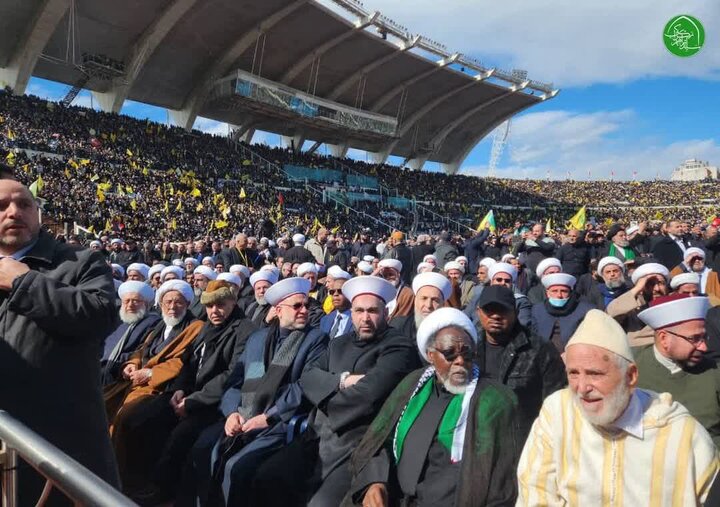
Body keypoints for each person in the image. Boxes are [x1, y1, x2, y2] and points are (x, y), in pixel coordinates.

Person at [516, 309, 719, 506]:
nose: (582, 388)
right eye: (573, 373)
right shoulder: (558, 414)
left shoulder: (680, 433)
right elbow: (536, 493)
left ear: (630, 376)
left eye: (595, 373)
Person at [0, 175, 121, 499]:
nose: (13, 212)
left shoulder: (80, 262)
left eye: (24, 204)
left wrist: (23, 283)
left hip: (61, 451)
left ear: (38, 213)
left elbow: (100, 316)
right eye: (1, 206)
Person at [253, 276, 417, 506]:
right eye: (359, 311)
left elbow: (368, 396)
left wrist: (323, 394)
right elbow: (307, 377)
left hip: (356, 443)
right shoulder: (339, 343)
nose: (365, 318)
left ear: (387, 314)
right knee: (267, 476)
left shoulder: (399, 347)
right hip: (316, 436)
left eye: (373, 311)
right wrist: (342, 382)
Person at [344, 308, 522, 506]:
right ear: (431, 355)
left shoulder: (496, 400)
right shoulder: (413, 384)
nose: (460, 361)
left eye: (467, 353)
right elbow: (379, 440)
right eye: (449, 354)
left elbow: (503, 481)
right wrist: (374, 482)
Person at [189, 277, 328, 506]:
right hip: (242, 416)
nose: (304, 310)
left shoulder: (315, 339)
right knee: (205, 452)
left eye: (306, 305)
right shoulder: (258, 339)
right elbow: (236, 382)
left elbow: (303, 386)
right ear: (278, 310)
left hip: (279, 421)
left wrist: (269, 416)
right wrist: (233, 412)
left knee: (238, 467)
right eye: (297, 306)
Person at [129, 281, 257, 504]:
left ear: (233, 302)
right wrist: (179, 389)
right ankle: (143, 478)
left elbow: (232, 374)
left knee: (181, 436)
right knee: (144, 419)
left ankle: (163, 490)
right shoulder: (207, 325)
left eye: (220, 305)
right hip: (187, 395)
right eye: (209, 306)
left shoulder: (245, 329)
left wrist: (192, 401)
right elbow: (188, 363)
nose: (214, 311)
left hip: (215, 403)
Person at [105, 280, 203, 494]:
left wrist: (150, 373)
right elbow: (142, 351)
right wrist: (131, 365)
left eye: (178, 302)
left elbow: (182, 361)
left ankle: (126, 480)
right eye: (168, 301)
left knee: (128, 417)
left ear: (187, 303)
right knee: (104, 404)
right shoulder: (160, 324)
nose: (172, 307)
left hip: (162, 387)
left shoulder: (195, 327)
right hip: (136, 381)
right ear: (161, 304)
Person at [475, 285, 566, 440]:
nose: (496, 316)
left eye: (503, 310)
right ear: (478, 312)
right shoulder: (469, 349)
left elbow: (556, 403)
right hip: (479, 441)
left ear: (516, 313)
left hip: (524, 442)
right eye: (489, 310)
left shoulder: (539, 349)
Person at [635, 294, 720, 446]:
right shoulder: (631, 370)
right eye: (694, 339)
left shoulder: (715, 372)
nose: (704, 347)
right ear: (664, 339)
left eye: (704, 337)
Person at [101, 281, 161, 386]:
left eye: (136, 301)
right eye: (126, 301)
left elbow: (143, 349)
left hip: (123, 375)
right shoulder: (118, 322)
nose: (130, 305)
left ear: (146, 304)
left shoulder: (153, 322)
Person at [607, 261, 669, 346]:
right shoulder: (631, 305)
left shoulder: (672, 303)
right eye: (650, 284)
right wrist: (637, 289)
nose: (657, 289)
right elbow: (610, 313)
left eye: (661, 283)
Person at [530, 273, 595, 353]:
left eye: (564, 291)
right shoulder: (537, 310)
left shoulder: (585, 310)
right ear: (547, 293)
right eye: (554, 291)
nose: (559, 295)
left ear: (570, 293)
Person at [390, 271, 452, 350]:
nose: (428, 305)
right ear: (415, 301)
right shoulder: (398, 326)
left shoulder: (449, 332)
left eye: (435, 300)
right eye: (424, 298)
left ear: (442, 304)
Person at [320, 273, 353, 339]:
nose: (335, 294)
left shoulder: (358, 320)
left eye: (340, 291)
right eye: (332, 292)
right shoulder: (325, 320)